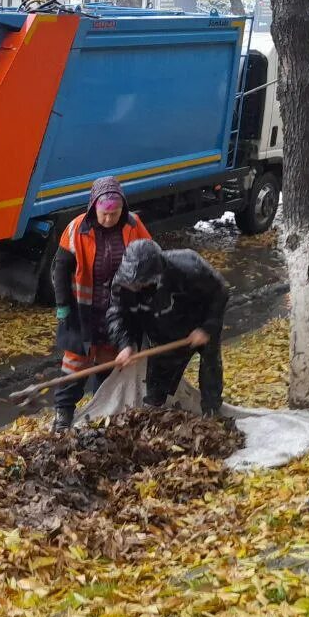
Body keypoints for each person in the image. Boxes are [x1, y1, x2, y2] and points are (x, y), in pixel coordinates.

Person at [50, 176, 152, 431]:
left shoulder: (133, 226)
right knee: (75, 364)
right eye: (105, 214)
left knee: (108, 363)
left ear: (123, 209)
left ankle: (100, 407)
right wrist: (63, 305)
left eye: (115, 213)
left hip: (119, 311)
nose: (109, 219)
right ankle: (63, 413)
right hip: (84, 311)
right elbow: (60, 269)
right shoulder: (77, 229)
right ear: (94, 207)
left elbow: (151, 258)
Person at [106, 239, 229, 416]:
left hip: (198, 324)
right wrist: (125, 343)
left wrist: (207, 328)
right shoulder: (123, 283)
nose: (136, 286)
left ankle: (212, 410)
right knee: (157, 381)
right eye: (133, 283)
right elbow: (116, 313)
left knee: (210, 366)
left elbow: (220, 292)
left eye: (142, 282)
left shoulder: (188, 266)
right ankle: (154, 412)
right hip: (162, 333)